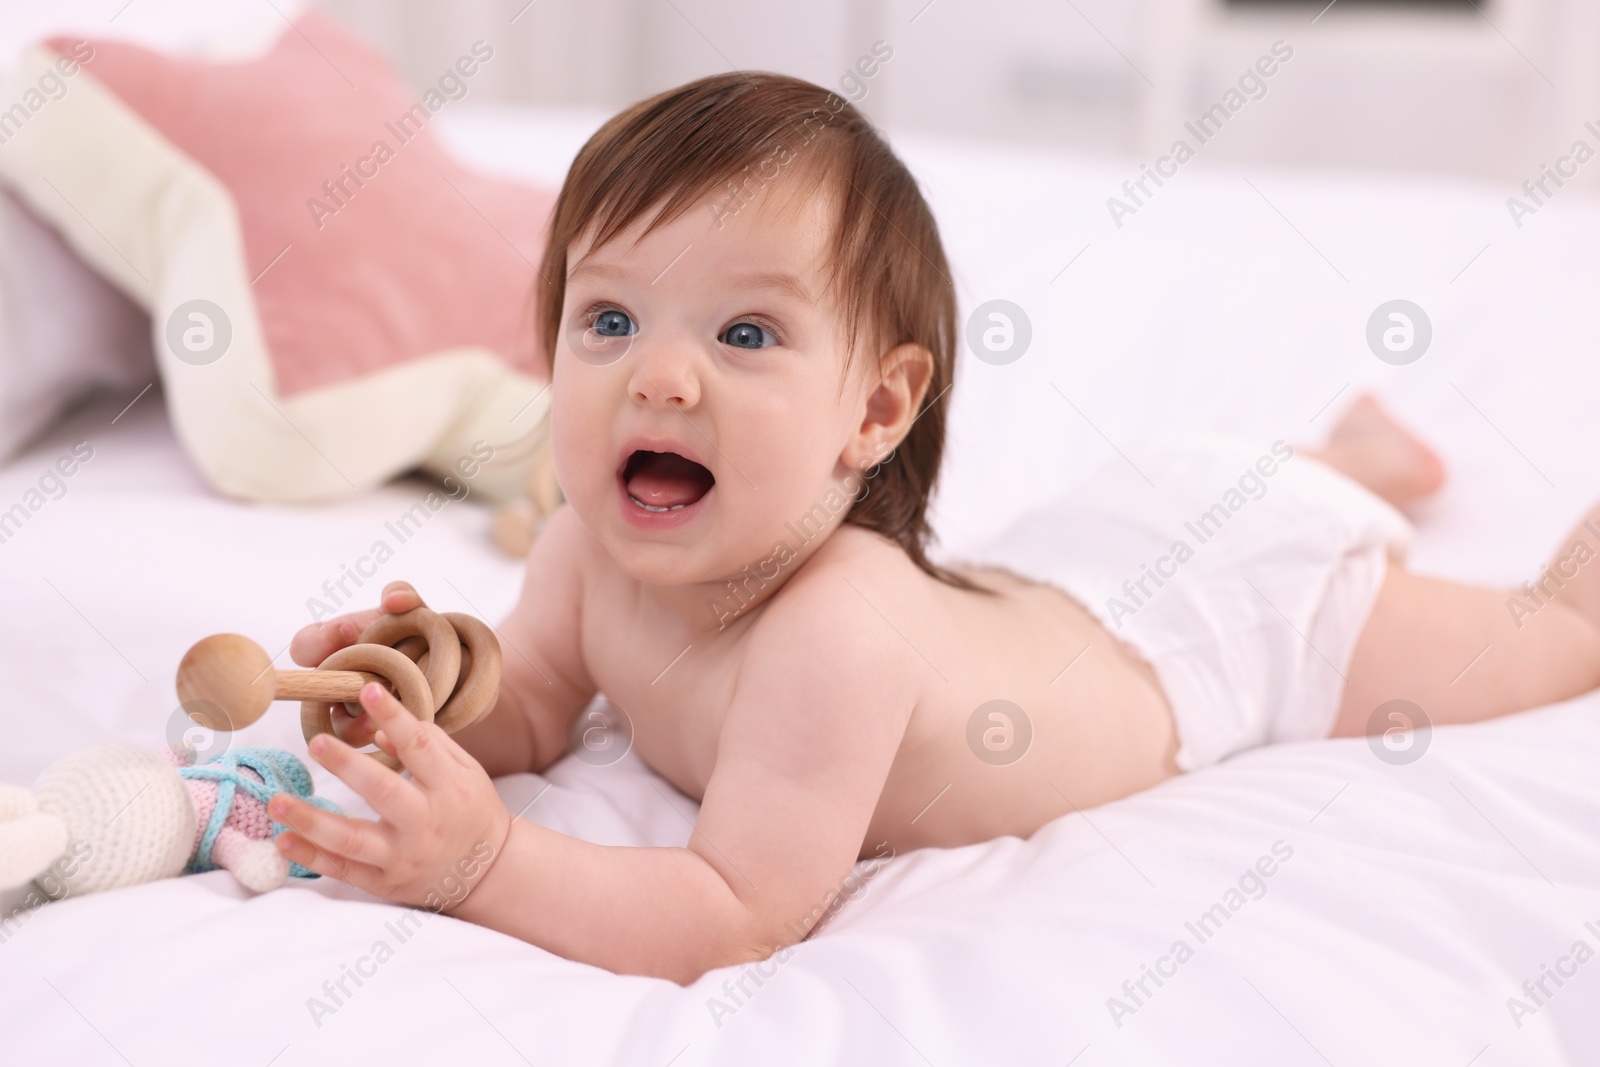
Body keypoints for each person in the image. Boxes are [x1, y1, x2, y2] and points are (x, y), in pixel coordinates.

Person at [270, 71, 1600, 982]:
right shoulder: (582, 549)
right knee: (1238, 489)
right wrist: (420, 702)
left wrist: (484, 861)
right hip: (1089, 552)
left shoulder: (835, 628)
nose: (658, 378)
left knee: (1554, 643)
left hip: (1228, 626)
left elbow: (730, 912)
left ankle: (1367, 491)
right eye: (608, 320)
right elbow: (541, 708)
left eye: (744, 334)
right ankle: (1346, 457)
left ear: (876, 410)